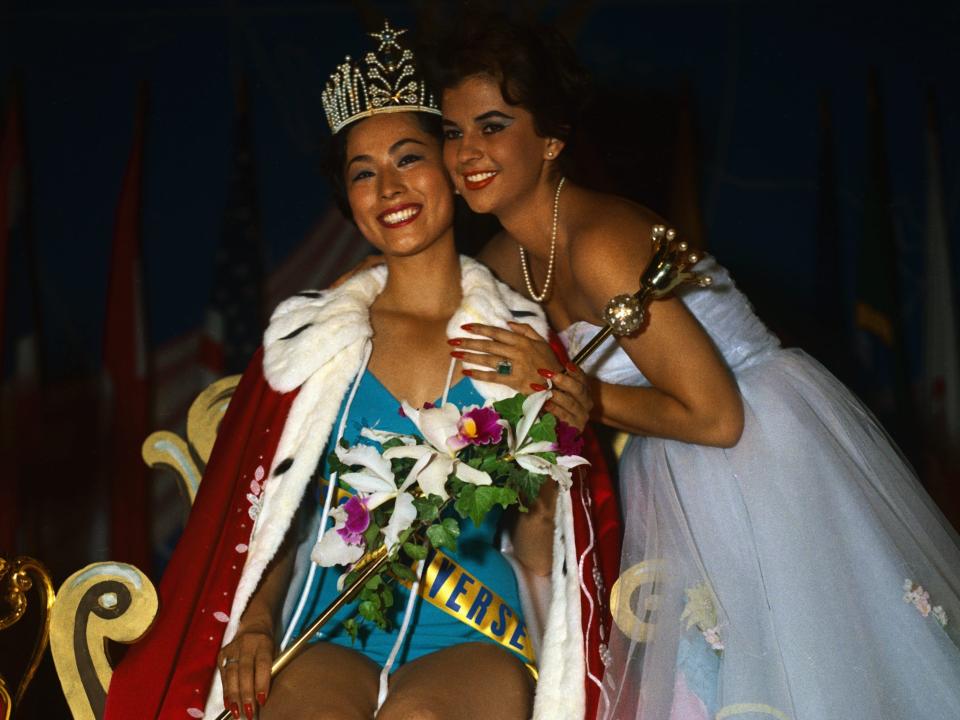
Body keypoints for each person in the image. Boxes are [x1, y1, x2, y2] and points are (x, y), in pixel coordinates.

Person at [432, 15, 960, 720]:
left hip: (759, 455)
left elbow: (718, 415)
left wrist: (580, 394)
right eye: (451, 131)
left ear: (551, 139)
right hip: (670, 463)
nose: (467, 150)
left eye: (492, 126)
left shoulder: (601, 241)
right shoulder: (505, 261)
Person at [103, 22, 620, 720]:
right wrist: (254, 619)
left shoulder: (517, 338)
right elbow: (270, 515)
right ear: (348, 199)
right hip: (329, 624)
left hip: (473, 629)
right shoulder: (313, 343)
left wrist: (552, 451)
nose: (390, 187)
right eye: (364, 173)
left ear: (450, 166)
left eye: (410, 158)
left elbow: (541, 548)